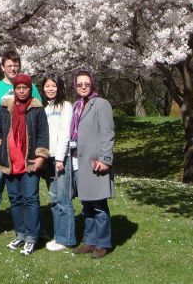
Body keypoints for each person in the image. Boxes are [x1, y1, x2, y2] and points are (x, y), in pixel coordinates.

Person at [0, 49, 42, 240]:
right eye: (9, 66)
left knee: (28, 193)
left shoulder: (31, 88)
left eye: (15, 66)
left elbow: (38, 113)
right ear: (2, 68)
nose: (12, 69)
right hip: (3, 150)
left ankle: (32, 229)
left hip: (24, 150)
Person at [0, 74, 49, 256]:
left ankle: (32, 237)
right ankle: (21, 233)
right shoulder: (4, 107)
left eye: (25, 88)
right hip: (9, 162)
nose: (22, 91)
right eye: (18, 88)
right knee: (15, 199)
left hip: (29, 162)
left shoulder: (36, 109)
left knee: (31, 199)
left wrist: (40, 156)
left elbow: (42, 134)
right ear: (14, 89)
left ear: (30, 89)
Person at [70, 68, 115, 259]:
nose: (83, 87)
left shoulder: (101, 104)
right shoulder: (76, 105)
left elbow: (108, 133)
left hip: (95, 162)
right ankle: (89, 241)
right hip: (79, 162)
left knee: (98, 204)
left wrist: (106, 159)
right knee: (86, 204)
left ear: (92, 84)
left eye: (86, 84)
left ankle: (103, 243)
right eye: (79, 84)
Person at [40, 73, 76, 251]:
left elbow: (65, 133)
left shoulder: (65, 106)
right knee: (54, 199)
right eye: (47, 86)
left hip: (61, 158)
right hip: (48, 157)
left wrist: (61, 157)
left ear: (60, 87)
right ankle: (58, 236)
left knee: (63, 199)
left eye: (54, 86)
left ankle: (67, 238)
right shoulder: (45, 107)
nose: (50, 89)